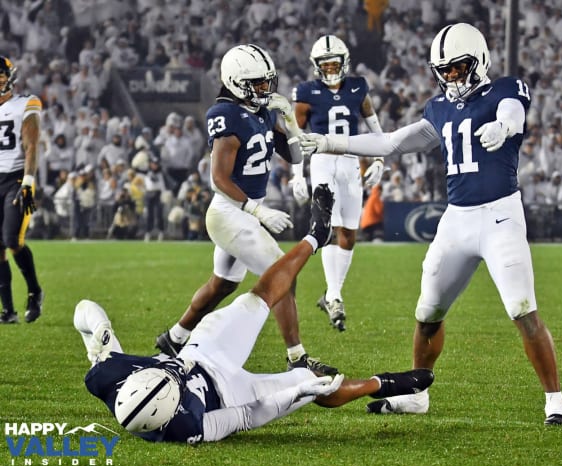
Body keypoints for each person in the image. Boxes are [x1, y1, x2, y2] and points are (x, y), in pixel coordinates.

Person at [300, 23, 562, 425]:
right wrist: (329, 142)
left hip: (500, 216)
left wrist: (505, 126)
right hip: (457, 219)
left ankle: (555, 400)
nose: (451, 77)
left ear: (478, 62)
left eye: (458, 68)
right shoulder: (439, 108)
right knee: (427, 311)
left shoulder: (505, 90)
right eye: (443, 70)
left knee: (522, 308)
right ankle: (417, 394)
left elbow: (512, 113)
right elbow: (391, 142)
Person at [75, 185, 434, 442]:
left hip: (202, 352)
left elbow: (84, 309)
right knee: (313, 387)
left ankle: (314, 236)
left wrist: (100, 333)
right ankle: (382, 384)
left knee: (260, 295)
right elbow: (249, 414)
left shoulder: (109, 377)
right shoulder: (190, 427)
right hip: (232, 394)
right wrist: (297, 393)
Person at [155, 44, 336, 376]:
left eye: (268, 82)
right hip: (229, 210)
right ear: (236, 82)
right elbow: (219, 178)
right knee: (281, 273)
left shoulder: (262, 112)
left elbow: (295, 157)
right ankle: (297, 359)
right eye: (257, 84)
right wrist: (258, 211)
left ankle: (175, 337)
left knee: (223, 283)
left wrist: (289, 123)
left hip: (243, 212)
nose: (265, 90)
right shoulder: (224, 115)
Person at [291, 35, 385, 331]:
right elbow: (296, 137)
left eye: (334, 63)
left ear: (344, 63)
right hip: (321, 161)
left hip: (350, 161)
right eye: (325, 64)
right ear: (316, 66)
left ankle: (332, 294)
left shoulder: (358, 87)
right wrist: (297, 174)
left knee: (349, 233)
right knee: (327, 226)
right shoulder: (306, 92)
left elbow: (374, 125)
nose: (330, 69)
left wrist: (380, 159)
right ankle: (334, 296)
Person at [0, 56, 45, 324]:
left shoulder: (26, 103)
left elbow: (31, 144)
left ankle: (35, 291)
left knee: (12, 240)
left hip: (16, 178)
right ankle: (8, 311)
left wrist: (28, 180)